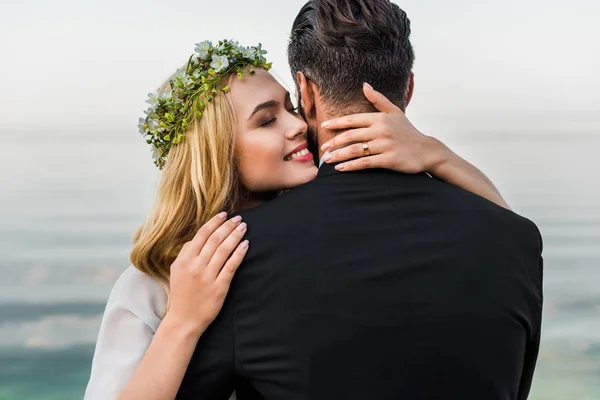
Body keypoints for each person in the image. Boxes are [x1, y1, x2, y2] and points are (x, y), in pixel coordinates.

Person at [84, 35, 516, 400]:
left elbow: (506, 237)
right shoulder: (154, 282)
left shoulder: (302, 244)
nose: (296, 124)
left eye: (291, 108)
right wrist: (182, 322)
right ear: (217, 153)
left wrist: (434, 153)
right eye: (267, 120)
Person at [173, 1, 544, 400]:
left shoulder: (236, 256)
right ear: (409, 88)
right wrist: (439, 154)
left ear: (307, 93)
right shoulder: (516, 239)